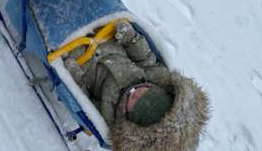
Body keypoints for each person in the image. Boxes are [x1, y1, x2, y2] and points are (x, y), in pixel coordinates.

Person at [64, 20, 209, 150]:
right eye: (145, 92)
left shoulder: (109, 114)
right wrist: (131, 39)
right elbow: (144, 57)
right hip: (109, 40)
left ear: (130, 119)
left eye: (134, 102)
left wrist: (76, 77)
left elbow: (85, 100)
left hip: (84, 63)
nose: (135, 92)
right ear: (156, 89)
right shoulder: (154, 75)